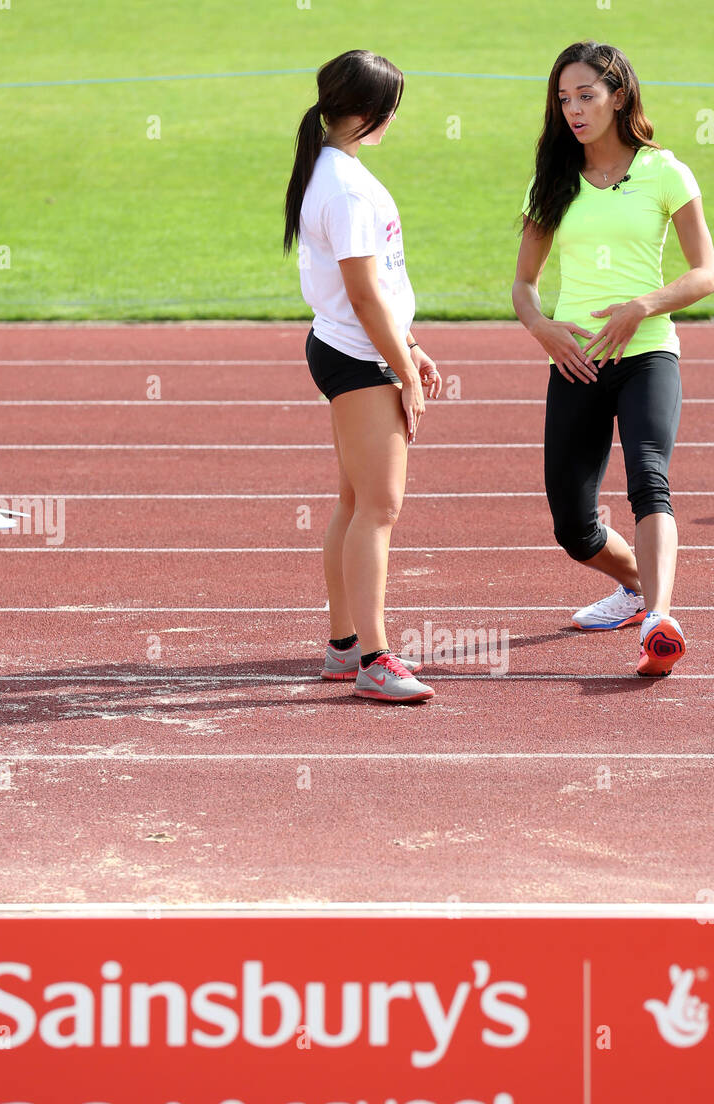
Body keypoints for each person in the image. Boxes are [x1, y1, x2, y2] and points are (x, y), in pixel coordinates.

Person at [512, 41, 714, 676]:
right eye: (564, 99)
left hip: (647, 353)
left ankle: (659, 618)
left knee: (648, 477)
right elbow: (524, 286)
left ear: (619, 94)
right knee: (573, 526)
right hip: (575, 363)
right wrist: (544, 329)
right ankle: (635, 590)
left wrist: (641, 307)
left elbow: (705, 274)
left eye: (586, 96)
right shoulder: (550, 179)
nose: (573, 110)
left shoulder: (664, 172)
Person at [284, 50, 442, 702]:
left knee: (355, 505)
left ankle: (344, 646)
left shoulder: (332, 168)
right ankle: (375, 660)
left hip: (348, 347)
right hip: (357, 357)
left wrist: (406, 345)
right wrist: (402, 367)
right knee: (378, 508)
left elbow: (374, 288)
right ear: (373, 112)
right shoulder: (345, 187)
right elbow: (363, 291)